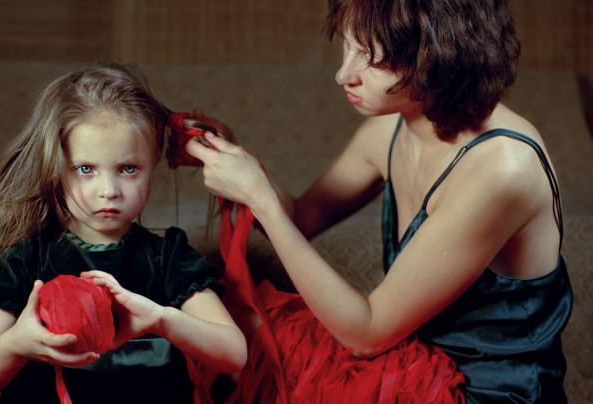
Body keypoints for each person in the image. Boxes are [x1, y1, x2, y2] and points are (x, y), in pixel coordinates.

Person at [186, 0, 573, 402]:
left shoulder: (501, 169)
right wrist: (230, 157)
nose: (343, 75)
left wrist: (259, 197)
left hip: (481, 393)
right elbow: (302, 218)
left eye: (370, 57)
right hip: (411, 362)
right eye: (347, 47)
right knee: (229, 326)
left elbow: (366, 335)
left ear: (436, 55)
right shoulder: (390, 128)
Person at [0, 62, 247, 404]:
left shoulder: (168, 257)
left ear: (152, 166)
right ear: (55, 168)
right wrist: (15, 344)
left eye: (129, 168)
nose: (109, 190)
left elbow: (234, 354)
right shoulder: (23, 260)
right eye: (85, 169)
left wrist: (161, 319)